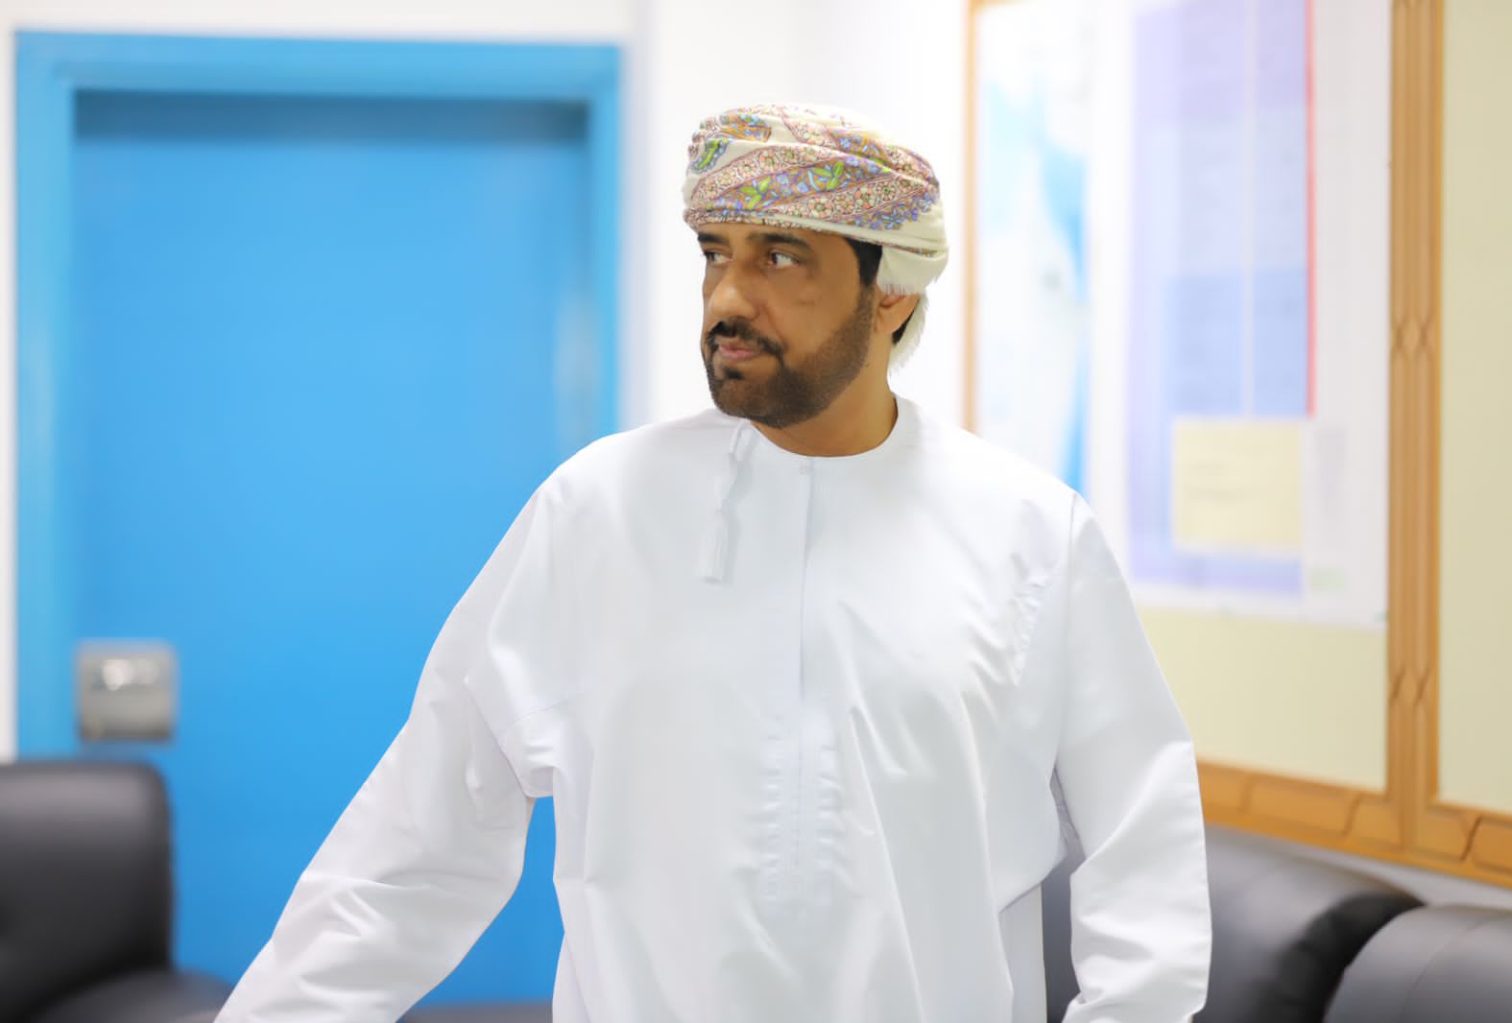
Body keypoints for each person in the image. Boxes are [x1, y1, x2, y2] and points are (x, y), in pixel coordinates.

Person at [215, 104, 1210, 1023]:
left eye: (781, 257)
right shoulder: (599, 512)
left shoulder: (1031, 535)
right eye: (714, 254)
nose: (728, 298)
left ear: (893, 293)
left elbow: (1145, 859)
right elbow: (417, 844)